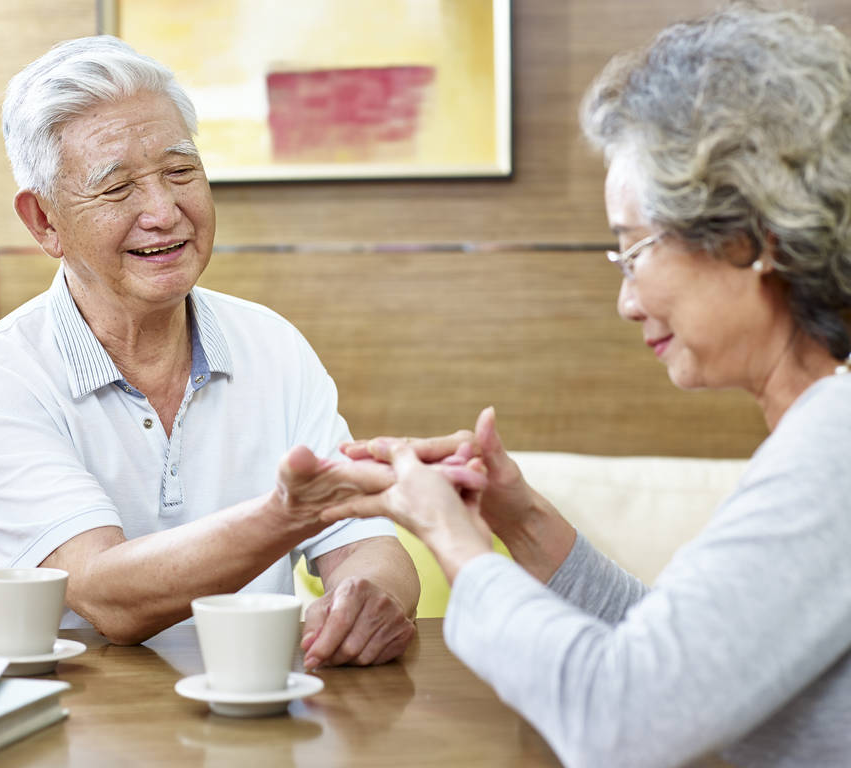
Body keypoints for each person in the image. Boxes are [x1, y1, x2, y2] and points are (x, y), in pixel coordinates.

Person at [328, 5, 851, 766]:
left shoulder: (833, 453)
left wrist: (453, 539)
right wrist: (520, 520)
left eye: (634, 250)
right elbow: (677, 667)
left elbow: (622, 721)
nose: (627, 300)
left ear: (747, 239)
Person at [0, 35, 419, 669]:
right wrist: (281, 517)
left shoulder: (272, 345)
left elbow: (365, 538)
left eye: (179, 171)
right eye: (117, 189)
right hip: (61, 724)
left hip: (251, 709)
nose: (163, 212)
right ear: (44, 222)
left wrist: (372, 594)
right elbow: (107, 599)